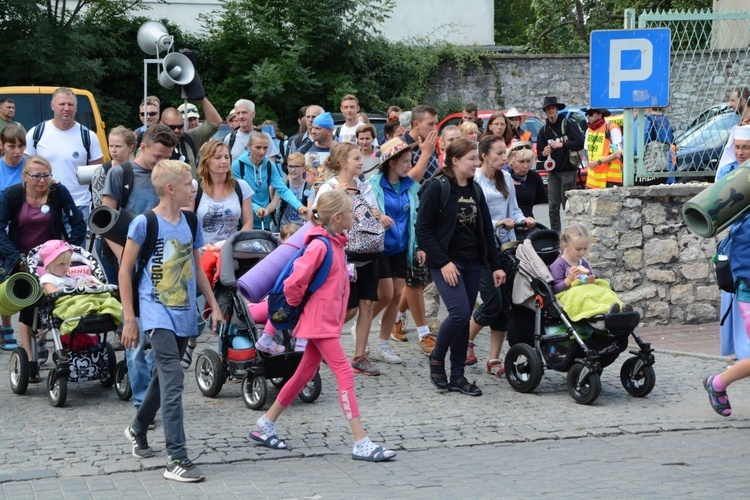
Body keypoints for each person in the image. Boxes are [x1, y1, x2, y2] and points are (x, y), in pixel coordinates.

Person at [248, 190, 396, 463]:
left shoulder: (335, 243)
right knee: (344, 373)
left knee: (304, 373)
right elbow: (294, 283)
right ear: (338, 218)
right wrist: (295, 309)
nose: (356, 216)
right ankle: (360, 441)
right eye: (352, 212)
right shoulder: (320, 245)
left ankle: (266, 424)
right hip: (319, 324)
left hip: (324, 322)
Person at [120, 159, 223, 483]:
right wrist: (129, 319)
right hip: (155, 310)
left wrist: (212, 305)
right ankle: (177, 457)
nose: (194, 188)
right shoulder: (144, 223)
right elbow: (125, 271)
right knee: (173, 377)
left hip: (183, 312)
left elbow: (195, 267)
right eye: (188, 184)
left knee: (161, 380)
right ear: (170, 189)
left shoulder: (191, 222)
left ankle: (137, 428)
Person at [416, 138, 507, 397]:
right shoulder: (438, 187)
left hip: (472, 262)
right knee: (459, 314)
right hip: (446, 262)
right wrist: (443, 262)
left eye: (477, 158)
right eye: (471, 159)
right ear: (455, 160)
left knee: (464, 318)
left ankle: (457, 375)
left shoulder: (476, 190)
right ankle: (436, 358)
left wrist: (496, 265)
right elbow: (422, 229)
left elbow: (486, 231)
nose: (476, 163)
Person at [103, 123, 178, 411]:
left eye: (168, 157)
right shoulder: (120, 173)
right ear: (142, 147)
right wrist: (127, 259)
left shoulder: (169, 172)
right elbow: (105, 221)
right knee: (132, 327)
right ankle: (141, 400)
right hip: (126, 258)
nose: (162, 162)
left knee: (159, 330)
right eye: (158, 156)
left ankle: (149, 387)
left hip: (160, 261)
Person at [0, 155, 85, 375]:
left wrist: (69, 251)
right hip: (22, 257)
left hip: (52, 259)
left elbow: (77, 221)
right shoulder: (12, 195)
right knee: (30, 307)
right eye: (36, 176)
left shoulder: (57, 193)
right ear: (25, 176)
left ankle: (46, 339)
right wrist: (14, 257)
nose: (42, 180)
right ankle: (30, 360)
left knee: (54, 301)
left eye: (46, 175)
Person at [316, 142, 383, 375]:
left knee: (367, 304)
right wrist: (341, 198)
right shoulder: (329, 188)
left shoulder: (365, 188)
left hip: (368, 252)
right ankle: (319, 339)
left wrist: (378, 215)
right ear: (343, 162)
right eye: (356, 158)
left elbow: (373, 215)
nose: (361, 161)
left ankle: (359, 356)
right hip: (343, 255)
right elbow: (318, 221)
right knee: (350, 308)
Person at [466, 136, 529, 376]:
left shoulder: (505, 179)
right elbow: (475, 217)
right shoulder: (475, 181)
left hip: (505, 248)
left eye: (505, 153)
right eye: (499, 154)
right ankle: (466, 341)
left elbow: (513, 209)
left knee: (505, 306)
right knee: (492, 303)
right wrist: (498, 222)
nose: (504, 158)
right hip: (482, 249)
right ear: (484, 156)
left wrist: (523, 220)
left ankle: (494, 359)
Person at [368, 138, 430, 362]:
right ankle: (362, 328)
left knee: (396, 297)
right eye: (405, 162)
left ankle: (384, 345)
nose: (408, 166)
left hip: (402, 248)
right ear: (391, 163)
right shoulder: (373, 185)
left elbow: (416, 218)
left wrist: (419, 246)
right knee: (385, 294)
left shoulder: (409, 186)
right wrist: (377, 214)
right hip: (381, 247)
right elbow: (363, 207)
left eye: (410, 161)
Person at [25, 87, 104, 221]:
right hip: (43, 204)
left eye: (70, 104)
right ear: (52, 105)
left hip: (78, 205)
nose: (66, 108)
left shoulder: (88, 136)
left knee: (75, 243)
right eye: (62, 104)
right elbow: (25, 172)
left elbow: (99, 174)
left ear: (76, 108)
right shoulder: (36, 133)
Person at [715, 125, 750, 365]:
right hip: (738, 242)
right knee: (740, 297)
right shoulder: (727, 171)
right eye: (737, 147)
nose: (740, 152)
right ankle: (742, 352)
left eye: (746, 147)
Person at [232, 131, 308, 229]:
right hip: (243, 221)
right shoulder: (237, 165)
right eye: (258, 147)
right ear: (249, 146)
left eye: (265, 148)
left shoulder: (269, 166)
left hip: (265, 219)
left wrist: (299, 206)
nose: (262, 152)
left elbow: (283, 189)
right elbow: (237, 195)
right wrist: (256, 208)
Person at [91, 126, 138, 284]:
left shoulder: (138, 170)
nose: (113, 150)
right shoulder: (102, 172)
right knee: (114, 285)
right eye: (111, 146)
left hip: (134, 234)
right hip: (108, 239)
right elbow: (101, 211)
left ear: (131, 147)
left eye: (118, 146)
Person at [549, 224, 629, 317]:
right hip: (571, 294)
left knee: (603, 291)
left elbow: (590, 280)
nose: (582, 252)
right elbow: (555, 290)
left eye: (585, 249)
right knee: (584, 298)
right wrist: (569, 280)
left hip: (586, 290)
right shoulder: (559, 264)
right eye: (578, 249)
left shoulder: (583, 262)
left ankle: (619, 307)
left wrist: (591, 280)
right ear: (565, 246)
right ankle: (603, 310)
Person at [535, 96, 584, 233]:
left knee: (568, 204)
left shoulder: (568, 123)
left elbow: (580, 142)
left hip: (568, 170)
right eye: (548, 109)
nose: (550, 111)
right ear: (545, 111)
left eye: (552, 108)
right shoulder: (543, 130)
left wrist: (562, 144)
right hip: (553, 172)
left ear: (556, 109)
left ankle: (572, 233)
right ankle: (555, 235)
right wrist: (544, 153)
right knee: (553, 207)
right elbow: (539, 154)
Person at [195, 140, 254, 245]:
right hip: (202, 251)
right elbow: (187, 223)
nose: (224, 161)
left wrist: (232, 244)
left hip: (230, 249)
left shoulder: (241, 186)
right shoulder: (195, 186)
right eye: (218, 158)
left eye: (226, 157)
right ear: (206, 161)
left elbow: (248, 223)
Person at [159, 99, 221, 176]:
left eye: (180, 126)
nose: (177, 130)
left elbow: (215, 123)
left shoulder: (189, 138)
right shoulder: (152, 143)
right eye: (172, 127)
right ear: (161, 124)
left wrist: (201, 98)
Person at [505, 141, 547, 237]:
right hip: (508, 225)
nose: (525, 165)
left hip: (528, 224)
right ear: (511, 160)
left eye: (528, 161)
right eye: (521, 162)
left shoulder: (533, 176)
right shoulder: (503, 176)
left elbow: (542, 197)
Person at [269, 152, 314, 229]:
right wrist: (266, 210)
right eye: (290, 166)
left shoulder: (309, 188)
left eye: (296, 166)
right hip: (284, 228)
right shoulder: (283, 185)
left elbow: (309, 210)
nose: (293, 169)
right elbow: (274, 204)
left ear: (304, 169)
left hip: (301, 228)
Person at [583, 107, 623, 189]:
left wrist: (598, 162)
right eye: (586, 114)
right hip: (593, 180)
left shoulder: (612, 128)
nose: (587, 116)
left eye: (590, 114)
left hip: (610, 179)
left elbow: (618, 153)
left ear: (600, 114)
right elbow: (587, 151)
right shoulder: (588, 131)